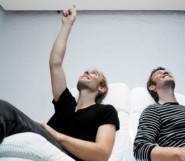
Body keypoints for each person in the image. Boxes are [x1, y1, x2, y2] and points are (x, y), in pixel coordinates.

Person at [0, 5, 119, 161]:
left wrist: (56, 135)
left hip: (66, 152)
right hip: (48, 141)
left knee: (4, 110)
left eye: (94, 73)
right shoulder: (65, 103)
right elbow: (55, 64)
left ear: (101, 88)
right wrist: (66, 25)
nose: (87, 72)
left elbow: (102, 154)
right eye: (86, 71)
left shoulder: (106, 111)